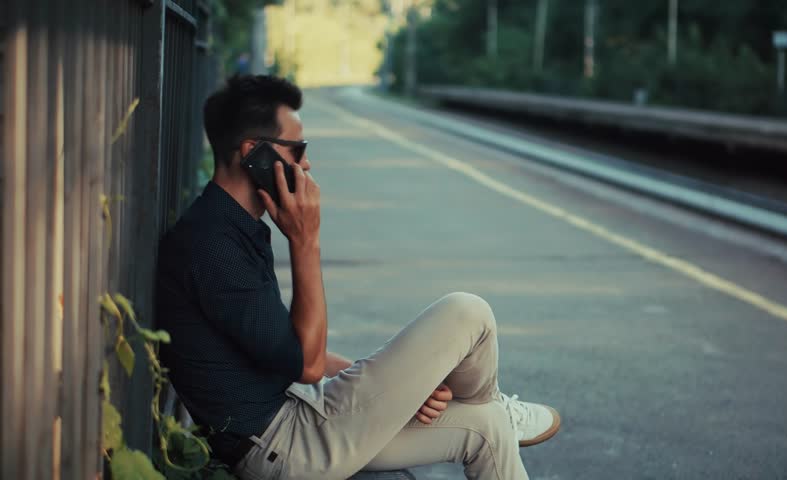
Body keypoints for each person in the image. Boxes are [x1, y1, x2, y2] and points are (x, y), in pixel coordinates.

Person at [156, 75, 561, 480]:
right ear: (253, 153)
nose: (307, 164)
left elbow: (283, 349)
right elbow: (308, 364)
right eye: (297, 150)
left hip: (300, 418)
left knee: (486, 429)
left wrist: (401, 388)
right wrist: (305, 240)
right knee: (468, 312)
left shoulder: (233, 226)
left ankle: (492, 409)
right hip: (285, 445)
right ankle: (492, 402)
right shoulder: (213, 246)